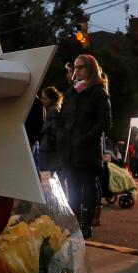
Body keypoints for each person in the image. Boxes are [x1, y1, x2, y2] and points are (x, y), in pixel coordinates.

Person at [57, 54, 111, 238]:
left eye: (81, 67)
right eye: (76, 67)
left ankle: (86, 224)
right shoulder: (72, 92)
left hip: (87, 150)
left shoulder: (98, 92)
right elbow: (63, 117)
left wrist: (86, 138)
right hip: (70, 150)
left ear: (90, 69)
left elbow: (104, 122)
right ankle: (74, 224)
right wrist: (62, 136)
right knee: (72, 187)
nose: (77, 70)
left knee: (88, 186)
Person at [37, 87, 62, 175]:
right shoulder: (53, 109)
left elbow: (55, 129)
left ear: (51, 100)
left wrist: (51, 142)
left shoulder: (53, 110)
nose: (42, 100)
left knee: (48, 174)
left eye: (45, 99)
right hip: (49, 150)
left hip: (49, 151)